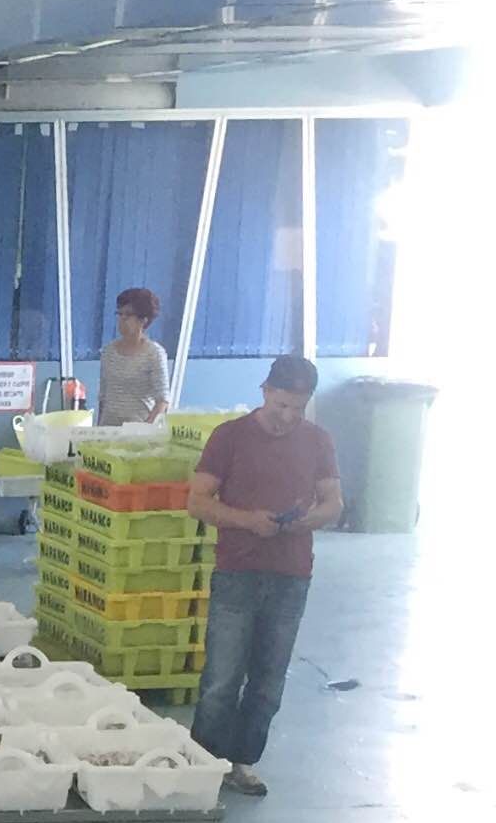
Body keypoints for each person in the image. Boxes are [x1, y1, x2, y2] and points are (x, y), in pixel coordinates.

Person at [185, 354, 342, 797]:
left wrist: (305, 520)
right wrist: (247, 520)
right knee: (222, 677)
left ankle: (241, 762)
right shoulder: (229, 438)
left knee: (269, 679)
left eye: (298, 408)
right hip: (238, 571)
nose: (288, 417)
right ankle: (203, 762)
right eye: (281, 406)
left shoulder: (318, 441)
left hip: (292, 576)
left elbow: (333, 503)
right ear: (265, 391)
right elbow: (197, 501)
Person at [97, 287, 171, 425]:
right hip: (108, 431)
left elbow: (162, 400)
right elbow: (103, 397)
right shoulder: (108, 352)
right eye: (119, 314)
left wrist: (146, 429)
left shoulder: (154, 353)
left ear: (143, 320)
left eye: (128, 314)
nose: (122, 319)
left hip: (139, 430)